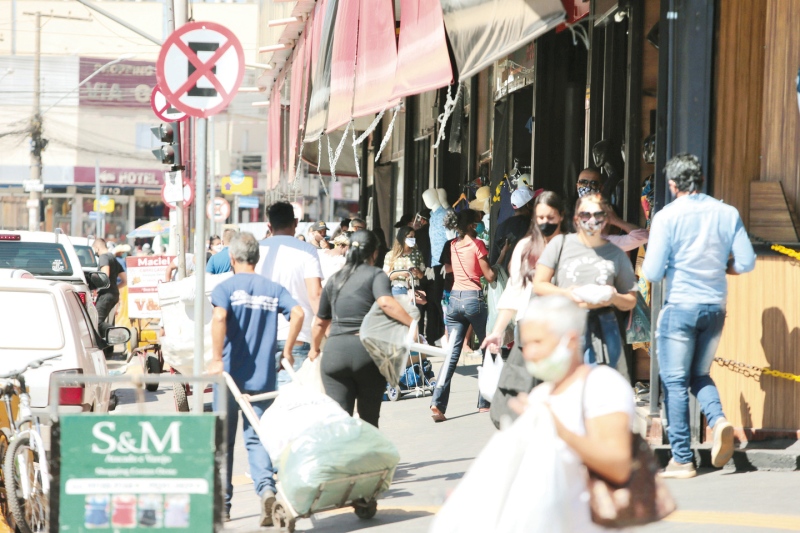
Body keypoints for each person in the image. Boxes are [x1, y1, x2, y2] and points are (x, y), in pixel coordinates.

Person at [642, 153, 756, 478]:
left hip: (680, 307)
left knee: (675, 381)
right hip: (716, 307)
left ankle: (681, 459)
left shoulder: (666, 217)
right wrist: (722, 267)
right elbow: (746, 262)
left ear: (673, 184)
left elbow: (651, 270)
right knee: (699, 375)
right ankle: (719, 421)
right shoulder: (727, 212)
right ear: (701, 180)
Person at [515, 295, 635, 532]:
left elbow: (619, 466)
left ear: (569, 340)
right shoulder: (540, 394)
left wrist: (558, 429)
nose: (528, 353)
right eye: (526, 344)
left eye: (537, 342)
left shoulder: (603, 385)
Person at [207, 232, 304, 525]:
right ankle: (266, 491)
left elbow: (220, 318)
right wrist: (286, 351)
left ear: (233, 259)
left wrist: (215, 358)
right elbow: (298, 313)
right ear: (257, 258)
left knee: (223, 443)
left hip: (228, 378)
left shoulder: (225, 288)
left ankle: (223, 506)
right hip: (263, 377)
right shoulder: (272, 288)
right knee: (257, 439)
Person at [309, 230, 415, 427]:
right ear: (374, 252)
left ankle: (342, 457)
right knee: (369, 420)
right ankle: (368, 455)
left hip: (335, 353)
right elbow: (386, 303)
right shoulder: (376, 275)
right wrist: (411, 323)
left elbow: (320, 322)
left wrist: (314, 348)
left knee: (340, 422)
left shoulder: (334, 280)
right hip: (366, 352)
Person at [481, 192, 567, 424]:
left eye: (550, 217)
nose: (545, 222)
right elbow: (513, 291)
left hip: (563, 334)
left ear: (561, 216)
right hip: (528, 331)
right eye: (540, 217)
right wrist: (497, 332)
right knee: (521, 405)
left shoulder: (572, 246)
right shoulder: (525, 247)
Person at [533, 193, 637, 369]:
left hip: (604, 326)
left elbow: (631, 300)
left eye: (598, 215)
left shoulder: (616, 253)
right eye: (586, 215)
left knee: (597, 388)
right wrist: (566, 293)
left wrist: (613, 297)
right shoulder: (560, 244)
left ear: (606, 219)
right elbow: (539, 284)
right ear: (576, 219)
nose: (592, 220)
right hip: (567, 323)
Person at [430, 209, 497, 422]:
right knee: (488, 349)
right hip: (473, 299)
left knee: (452, 355)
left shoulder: (452, 245)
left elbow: (451, 270)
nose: (479, 226)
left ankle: (437, 403)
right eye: (477, 222)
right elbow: (490, 276)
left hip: (454, 301)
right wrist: (502, 255)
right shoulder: (477, 245)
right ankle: (484, 402)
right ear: (470, 226)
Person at [256, 202, 324, 388]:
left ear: (269, 225)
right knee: (293, 404)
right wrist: (325, 330)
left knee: (264, 401)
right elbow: (316, 295)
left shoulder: (257, 250)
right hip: (299, 337)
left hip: (261, 337)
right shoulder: (307, 251)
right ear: (295, 222)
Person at [575, 168, 649, 251]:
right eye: (583, 182)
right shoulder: (567, 244)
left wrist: (616, 220)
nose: (588, 187)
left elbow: (643, 236)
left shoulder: (606, 243)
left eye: (593, 184)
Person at [489, 186, 538, 268]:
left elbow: (494, 259)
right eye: (535, 202)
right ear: (528, 205)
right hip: (523, 277)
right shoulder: (528, 226)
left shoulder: (501, 226)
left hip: (504, 279)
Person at [92, 238, 126, 337]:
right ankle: (106, 343)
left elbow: (105, 276)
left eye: (95, 250)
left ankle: (118, 334)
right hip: (114, 295)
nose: (96, 253)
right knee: (100, 322)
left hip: (105, 295)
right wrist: (114, 287)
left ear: (97, 248)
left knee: (96, 322)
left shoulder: (103, 257)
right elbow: (125, 280)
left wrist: (97, 289)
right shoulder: (113, 258)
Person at [383, 226, 425, 297]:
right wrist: (401, 273)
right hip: (398, 289)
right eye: (410, 237)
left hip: (414, 289)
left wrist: (417, 272)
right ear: (402, 237)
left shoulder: (417, 253)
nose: (413, 239)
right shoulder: (391, 255)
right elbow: (386, 276)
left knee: (414, 308)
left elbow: (422, 276)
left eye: (413, 237)